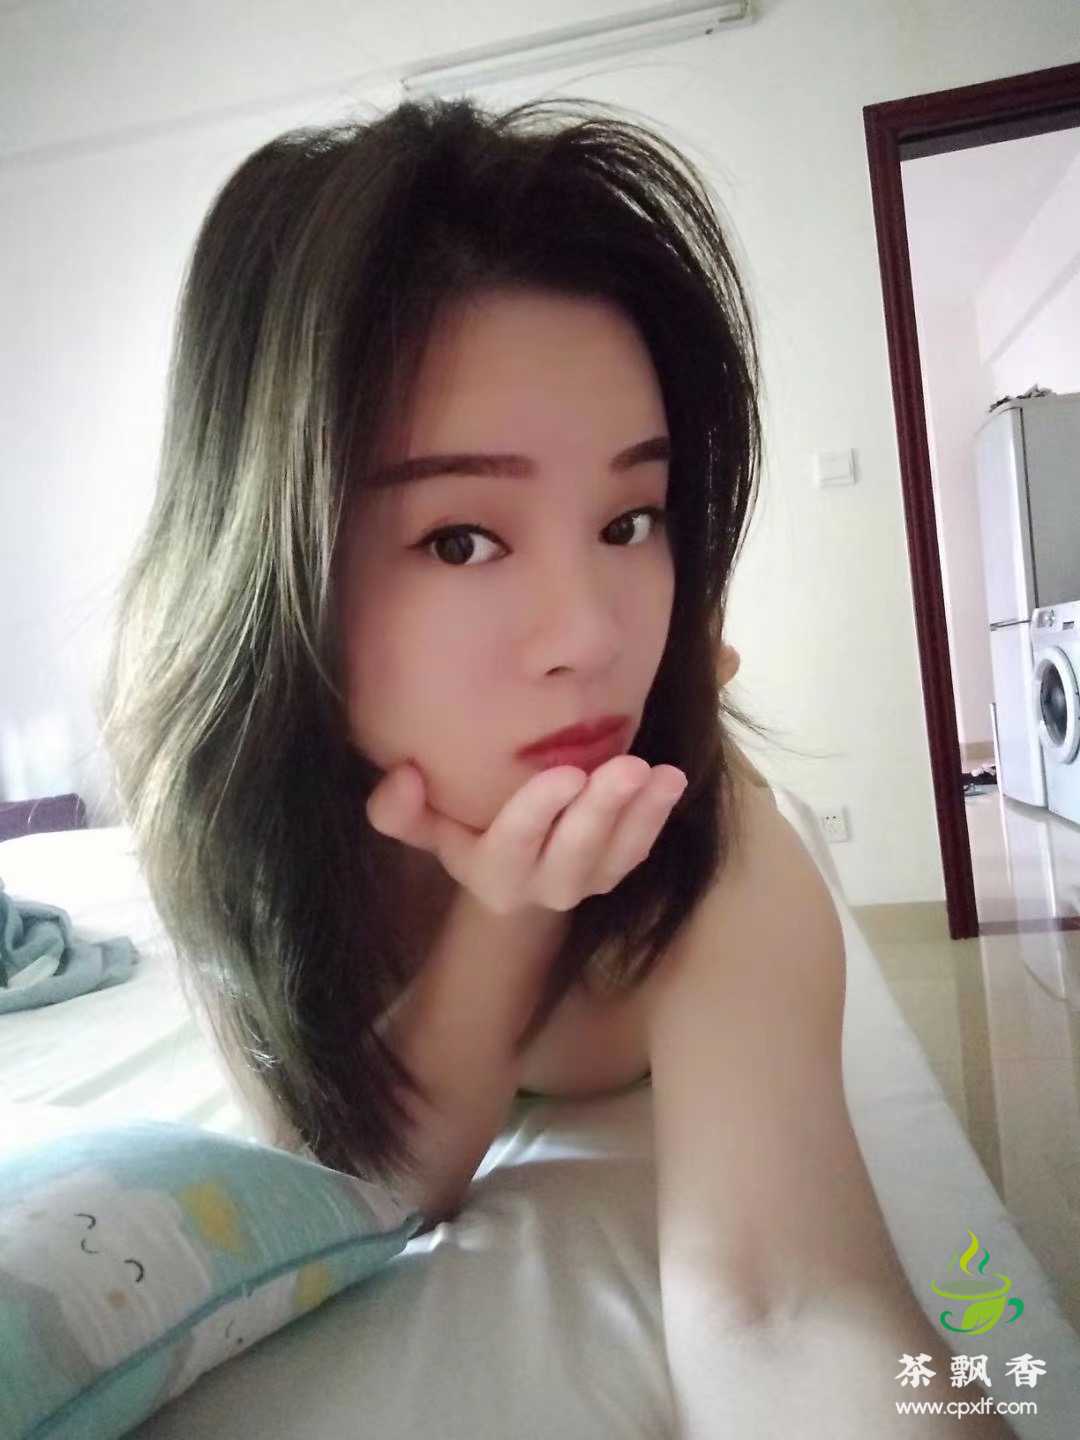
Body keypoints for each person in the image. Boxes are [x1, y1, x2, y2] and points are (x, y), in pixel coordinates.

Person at [97, 95, 1014, 1438]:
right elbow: (369, 1180)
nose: (591, 636)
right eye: (461, 539)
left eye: (631, 519)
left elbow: (787, 1304)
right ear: (271, 559)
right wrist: (508, 915)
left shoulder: (706, 833)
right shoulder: (226, 811)